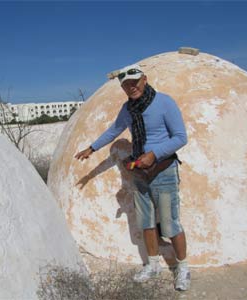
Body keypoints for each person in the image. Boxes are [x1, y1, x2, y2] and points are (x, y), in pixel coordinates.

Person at [74, 64, 190, 291]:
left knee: (170, 223)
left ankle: (183, 267)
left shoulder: (164, 102)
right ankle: (153, 265)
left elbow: (180, 137)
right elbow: (114, 130)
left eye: (134, 82)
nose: (131, 87)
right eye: (126, 84)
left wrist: (154, 154)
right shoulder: (128, 110)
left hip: (163, 170)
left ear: (144, 80)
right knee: (146, 222)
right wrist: (92, 148)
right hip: (139, 172)